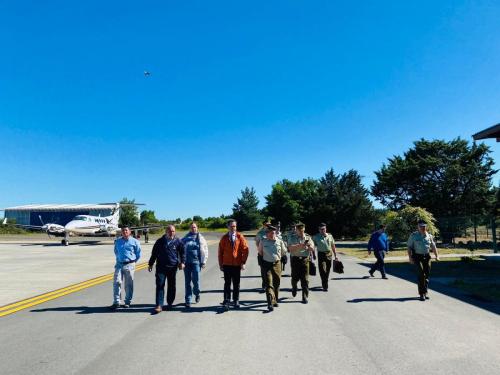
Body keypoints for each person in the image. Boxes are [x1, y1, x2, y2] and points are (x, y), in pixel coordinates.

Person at [148, 225, 185, 313]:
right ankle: (159, 305)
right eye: (170, 231)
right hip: (161, 267)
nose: (172, 233)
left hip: (172, 267)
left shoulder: (178, 241)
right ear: (166, 231)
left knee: (172, 286)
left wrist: (183, 262)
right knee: (160, 285)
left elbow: (183, 253)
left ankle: (170, 303)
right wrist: (150, 264)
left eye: (173, 231)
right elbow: (154, 253)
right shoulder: (160, 241)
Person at [218, 219, 249, 310]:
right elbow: (220, 252)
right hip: (227, 264)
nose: (233, 228)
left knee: (236, 283)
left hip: (236, 265)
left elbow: (246, 250)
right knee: (227, 283)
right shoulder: (224, 238)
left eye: (234, 226)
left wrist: (243, 262)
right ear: (227, 227)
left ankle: (236, 300)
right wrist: (221, 264)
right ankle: (227, 301)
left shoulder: (240, 237)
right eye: (231, 226)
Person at [407, 220, 440, 301]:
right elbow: (409, 247)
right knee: (421, 274)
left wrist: (437, 256)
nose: (422, 228)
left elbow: (433, 246)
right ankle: (422, 294)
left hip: (427, 257)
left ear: (426, 227)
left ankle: (425, 292)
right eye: (421, 226)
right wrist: (410, 258)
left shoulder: (429, 236)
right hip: (417, 257)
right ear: (418, 227)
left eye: (424, 226)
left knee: (427, 275)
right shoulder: (413, 235)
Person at [258, 225, 287, 311]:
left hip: (277, 264)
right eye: (270, 233)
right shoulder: (263, 241)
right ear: (267, 234)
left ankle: (275, 300)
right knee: (268, 284)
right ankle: (269, 302)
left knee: (277, 284)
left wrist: (284, 259)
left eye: (273, 233)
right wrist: (261, 262)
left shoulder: (280, 241)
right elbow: (260, 252)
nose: (272, 235)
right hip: (266, 265)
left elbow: (283, 252)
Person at [111, 226, 142, 309]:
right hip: (119, 264)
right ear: (121, 232)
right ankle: (116, 302)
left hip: (130, 264)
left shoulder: (135, 242)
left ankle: (127, 301)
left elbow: (138, 254)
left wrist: (133, 262)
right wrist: (119, 260)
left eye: (126, 230)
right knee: (116, 282)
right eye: (123, 231)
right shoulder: (118, 241)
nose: (124, 232)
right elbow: (116, 251)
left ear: (130, 232)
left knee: (128, 285)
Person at [181, 222, 208, 308]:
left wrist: (204, 261)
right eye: (192, 227)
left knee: (196, 280)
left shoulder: (201, 238)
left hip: (196, 262)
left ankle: (197, 293)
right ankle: (188, 299)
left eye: (195, 227)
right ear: (189, 228)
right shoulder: (185, 238)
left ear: (197, 228)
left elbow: (205, 250)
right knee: (187, 281)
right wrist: (181, 262)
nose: (193, 229)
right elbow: (180, 250)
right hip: (187, 263)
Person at [287, 222, 315, 304]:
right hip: (295, 260)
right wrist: (300, 245)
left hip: (305, 260)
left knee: (305, 280)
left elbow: (312, 249)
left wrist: (308, 247)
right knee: (295, 278)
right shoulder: (292, 238)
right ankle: (294, 287)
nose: (300, 232)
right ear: (296, 230)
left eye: (302, 230)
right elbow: (290, 249)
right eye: (299, 230)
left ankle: (304, 297)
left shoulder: (308, 238)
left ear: (304, 229)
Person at [312, 223, 338, 291]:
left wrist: (336, 255)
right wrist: (313, 254)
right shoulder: (316, 237)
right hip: (321, 254)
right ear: (319, 230)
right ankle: (325, 284)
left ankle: (325, 280)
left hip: (329, 254)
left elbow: (333, 246)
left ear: (326, 229)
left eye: (324, 229)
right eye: (321, 229)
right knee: (322, 270)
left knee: (328, 269)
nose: (323, 230)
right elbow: (313, 246)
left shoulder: (330, 236)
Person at [255, 220, 271, 293]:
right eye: (267, 224)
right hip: (263, 254)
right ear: (263, 225)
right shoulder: (260, 233)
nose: (268, 225)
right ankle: (264, 286)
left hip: (271, 255)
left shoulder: (273, 231)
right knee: (264, 271)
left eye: (269, 224)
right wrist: (260, 252)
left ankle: (271, 286)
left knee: (272, 271)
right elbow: (257, 243)